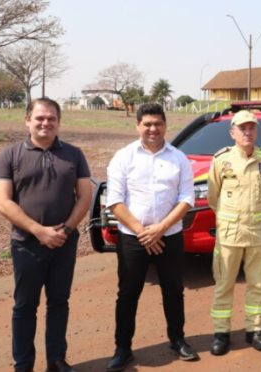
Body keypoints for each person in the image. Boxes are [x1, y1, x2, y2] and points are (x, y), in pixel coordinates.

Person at [0, 98, 92, 372]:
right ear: (27, 120)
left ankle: (56, 359)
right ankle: (23, 364)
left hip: (64, 243)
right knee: (25, 305)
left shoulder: (74, 154)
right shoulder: (9, 155)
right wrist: (39, 231)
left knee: (59, 302)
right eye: (40, 118)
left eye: (51, 119)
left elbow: (84, 196)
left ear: (59, 122)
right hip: (26, 245)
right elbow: (2, 202)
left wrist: (66, 230)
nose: (46, 123)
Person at [105, 103, 198, 371]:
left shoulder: (179, 158)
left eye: (157, 123)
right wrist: (143, 231)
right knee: (127, 294)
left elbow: (186, 199)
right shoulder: (123, 157)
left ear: (165, 124)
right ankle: (122, 348)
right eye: (147, 124)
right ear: (137, 126)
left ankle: (177, 340)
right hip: (133, 239)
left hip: (169, 235)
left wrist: (160, 228)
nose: (152, 129)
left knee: (174, 291)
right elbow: (114, 200)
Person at [208, 111, 261, 355]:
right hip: (229, 233)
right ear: (233, 133)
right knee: (224, 284)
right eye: (242, 128)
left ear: (256, 131)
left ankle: (255, 330)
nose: (247, 132)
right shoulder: (220, 160)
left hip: (258, 233)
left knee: (258, 284)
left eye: (251, 128)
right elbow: (213, 197)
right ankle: (221, 333)